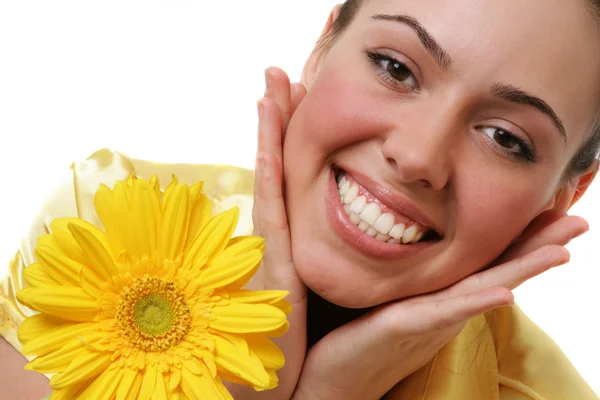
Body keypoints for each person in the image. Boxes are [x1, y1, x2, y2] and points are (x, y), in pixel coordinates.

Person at [1, 0, 600, 398]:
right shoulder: (101, 225)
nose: (417, 156)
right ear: (324, 44)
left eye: (506, 139)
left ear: (560, 199)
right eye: (395, 67)